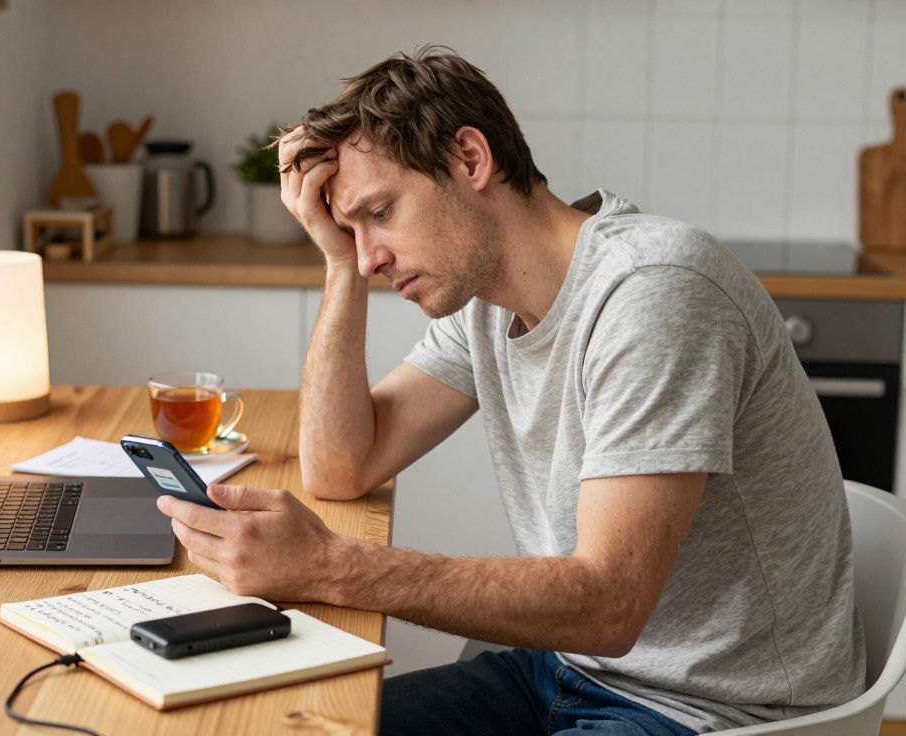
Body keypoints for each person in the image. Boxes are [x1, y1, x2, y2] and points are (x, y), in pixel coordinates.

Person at [152, 46, 865, 735]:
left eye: (378, 212)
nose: (372, 256)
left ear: (470, 158)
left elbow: (608, 608)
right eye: (351, 229)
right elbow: (343, 466)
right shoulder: (489, 304)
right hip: (566, 676)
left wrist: (331, 567)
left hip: (710, 712)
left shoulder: (653, 292)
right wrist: (337, 263)